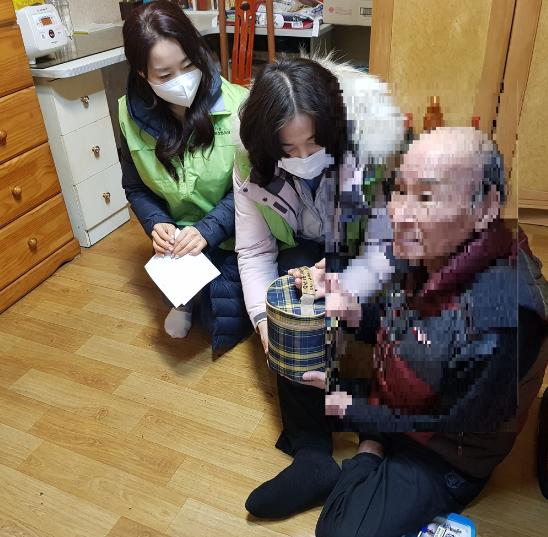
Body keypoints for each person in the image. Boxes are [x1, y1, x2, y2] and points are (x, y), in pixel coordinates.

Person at [294, 127, 548, 537]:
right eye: (399, 190)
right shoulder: (433, 249)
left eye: (426, 197)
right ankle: (324, 456)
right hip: (404, 392)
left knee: (338, 533)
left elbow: (456, 420)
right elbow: (404, 326)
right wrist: (355, 312)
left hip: (447, 449)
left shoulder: (505, 316)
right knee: (303, 367)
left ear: (485, 207)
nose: (399, 213)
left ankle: (370, 447)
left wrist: (360, 416)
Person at [234, 56, 403, 518]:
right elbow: (254, 253)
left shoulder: (370, 151)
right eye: (288, 148)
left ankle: (379, 435)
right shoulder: (250, 163)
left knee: (391, 308)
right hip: (306, 253)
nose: (304, 157)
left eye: (314, 142)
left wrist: (345, 286)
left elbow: (385, 246)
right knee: (290, 308)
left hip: (367, 253)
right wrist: (268, 325)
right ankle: (311, 453)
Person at [119, 0, 250, 352]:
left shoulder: (239, 105)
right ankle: (186, 296)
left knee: (221, 318)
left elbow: (253, 189)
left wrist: (208, 230)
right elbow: (135, 187)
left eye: (189, 65)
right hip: (180, 238)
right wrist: (157, 223)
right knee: (200, 309)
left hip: (233, 229)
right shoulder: (129, 116)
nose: (181, 81)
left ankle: (197, 294)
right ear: (142, 74)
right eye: (165, 75)